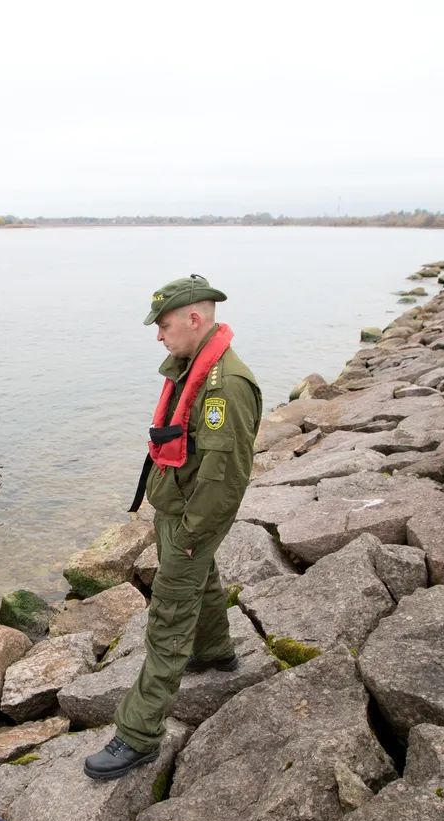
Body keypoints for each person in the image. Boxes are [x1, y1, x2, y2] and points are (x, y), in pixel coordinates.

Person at [84, 275, 261, 780]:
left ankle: (138, 736)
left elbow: (224, 481)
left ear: (194, 319)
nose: (159, 336)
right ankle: (216, 653)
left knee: (167, 617)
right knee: (199, 581)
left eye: (163, 326)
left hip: (191, 521)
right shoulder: (192, 370)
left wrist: (189, 540)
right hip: (177, 509)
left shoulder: (224, 386)